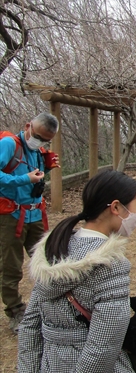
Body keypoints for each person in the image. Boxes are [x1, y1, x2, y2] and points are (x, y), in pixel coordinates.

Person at [17, 170, 136, 373]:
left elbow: (31, 322)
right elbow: (103, 347)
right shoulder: (111, 264)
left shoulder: (56, 248)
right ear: (115, 208)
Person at [0, 113, 59, 333]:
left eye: (45, 140)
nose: (40, 143)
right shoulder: (8, 145)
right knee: (10, 266)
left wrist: (47, 168)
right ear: (28, 127)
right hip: (11, 216)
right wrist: (25, 179)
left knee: (47, 260)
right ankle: (15, 311)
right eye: (38, 137)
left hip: (36, 214)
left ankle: (48, 303)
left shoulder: (37, 151)